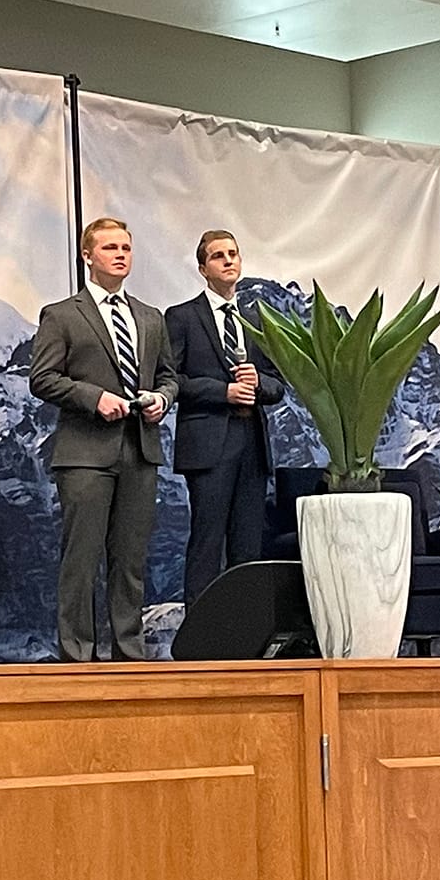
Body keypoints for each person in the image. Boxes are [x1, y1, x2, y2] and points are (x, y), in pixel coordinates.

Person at [30, 217, 178, 662]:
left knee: (130, 560)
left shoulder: (151, 318)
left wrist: (162, 399)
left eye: (126, 248)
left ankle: (129, 651)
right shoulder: (62, 315)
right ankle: (77, 653)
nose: (120, 254)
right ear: (87, 255)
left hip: (140, 448)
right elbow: (43, 378)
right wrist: (94, 398)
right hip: (85, 454)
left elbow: (169, 376)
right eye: (110, 247)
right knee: (82, 558)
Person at [166, 230, 285, 602]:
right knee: (207, 541)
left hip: (251, 443)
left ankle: (243, 637)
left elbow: (279, 386)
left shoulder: (256, 321)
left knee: (248, 546)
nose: (229, 260)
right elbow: (171, 381)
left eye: (233, 254)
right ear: (203, 268)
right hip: (208, 444)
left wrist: (258, 382)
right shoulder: (182, 317)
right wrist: (223, 392)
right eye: (219, 256)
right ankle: (200, 641)